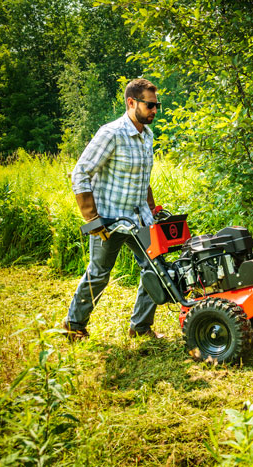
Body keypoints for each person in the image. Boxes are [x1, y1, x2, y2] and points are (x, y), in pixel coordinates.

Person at [63, 78, 164, 342]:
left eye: (157, 105)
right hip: (108, 220)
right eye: (150, 105)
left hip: (139, 218)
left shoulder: (147, 135)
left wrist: (152, 210)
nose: (155, 110)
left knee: (155, 268)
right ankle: (74, 325)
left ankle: (140, 327)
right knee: (99, 274)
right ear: (132, 103)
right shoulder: (112, 133)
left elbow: (143, 177)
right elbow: (81, 173)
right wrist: (92, 218)